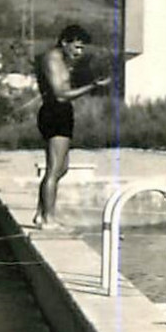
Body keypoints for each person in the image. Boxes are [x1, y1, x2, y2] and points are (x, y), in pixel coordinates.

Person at [33, 24, 111, 230]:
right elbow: (60, 94)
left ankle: (41, 213)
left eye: (82, 49)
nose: (79, 52)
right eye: (76, 48)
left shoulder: (60, 60)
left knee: (62, 168)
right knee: (54, 169)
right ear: (64, 42)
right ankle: (48, 219)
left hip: (60, 113)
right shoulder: (53, 59)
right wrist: (93, 86)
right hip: (55, 112)